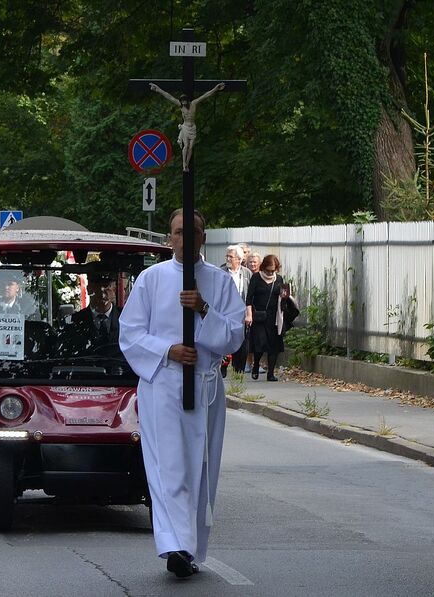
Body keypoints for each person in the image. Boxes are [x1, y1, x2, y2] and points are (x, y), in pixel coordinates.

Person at [119, 208, 245, 579]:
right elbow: (130, 333)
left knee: (199, 467)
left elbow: (234, 335)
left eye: (192, 232)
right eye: (178, 232)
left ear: (203, 238)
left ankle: (190, 547)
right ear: (169, 238)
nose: (184, 239)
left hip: (204, 384)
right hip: (163, 383)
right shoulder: (152, 278)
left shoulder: (220, 282)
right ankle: (174, 546)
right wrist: (168, 350)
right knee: (167, 466)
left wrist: (203, 308)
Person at [149, 82, 226, 172]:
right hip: (185, 127)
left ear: (187, 100)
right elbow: (169, 97)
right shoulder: (181, 106)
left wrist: (216, 88)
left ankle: (187, 163)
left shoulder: (193, 104)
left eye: (184, 101)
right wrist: (158, 89)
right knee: (186, 146)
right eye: (182, 101)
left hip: (192, 128)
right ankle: (184, 165)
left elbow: (205, 95)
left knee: (190, 147)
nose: (183, 103)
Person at [245, 254, 299, 381]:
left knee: (274, 345)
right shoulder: (256, 278)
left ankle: (271, 373)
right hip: (258, 316)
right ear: (263, 267)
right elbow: (249, 298)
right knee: (259, 343)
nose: (270, 272)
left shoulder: (279, 279)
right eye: (268, 270)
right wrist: (249, 314)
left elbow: (283, 298)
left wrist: (286, 297)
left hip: (275, 317)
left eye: (273, 270)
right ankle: (256, 364)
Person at [59, 274, 120, 355]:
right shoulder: (73, 322)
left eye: (106, 286)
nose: (101, 290)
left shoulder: (127, 319)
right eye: (96, 286)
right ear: (88, 289)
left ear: (114, 289)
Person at [220, 245, 251, 374]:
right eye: (227, 256)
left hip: (241, 313)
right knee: (224, 340)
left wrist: (249, 314)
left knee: (241, 343)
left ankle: (239, 371)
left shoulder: (246, 273)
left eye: (230, 256)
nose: (228, 258)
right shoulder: (221, 271)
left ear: (238, 259)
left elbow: (250, 295)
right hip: (225, 312)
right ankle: (223, 365)